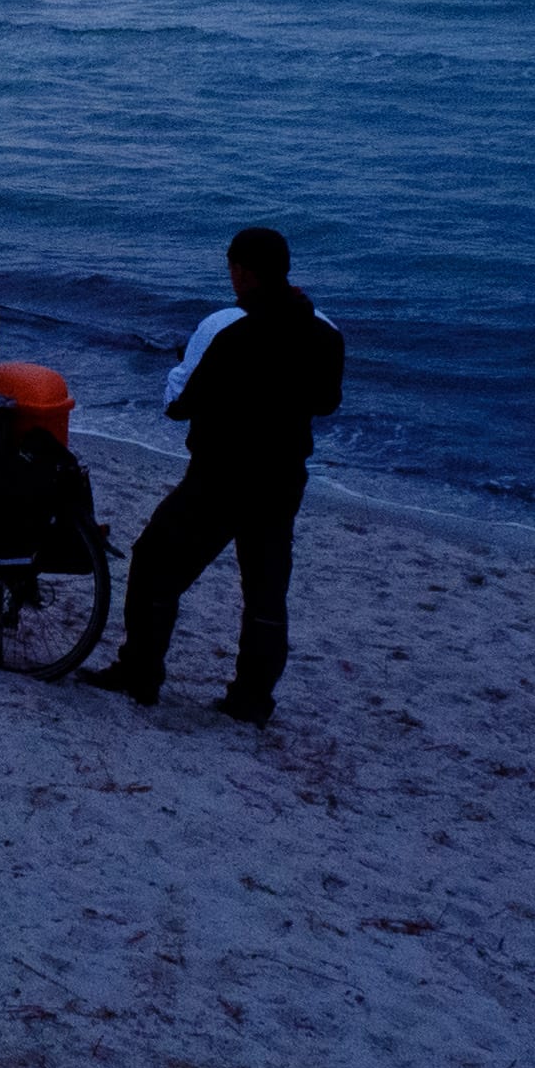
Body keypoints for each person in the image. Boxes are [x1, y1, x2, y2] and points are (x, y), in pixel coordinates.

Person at [82, 228, 345, 723]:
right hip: (283, 478)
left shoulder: (233, 334)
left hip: (221, 475)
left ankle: (140, 672)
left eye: (234, 268)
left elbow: (182, 406)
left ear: (243, 272)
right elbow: (327, 402)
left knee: (155, 564)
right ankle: (252, 699)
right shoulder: (325, 336)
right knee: (266, 589)